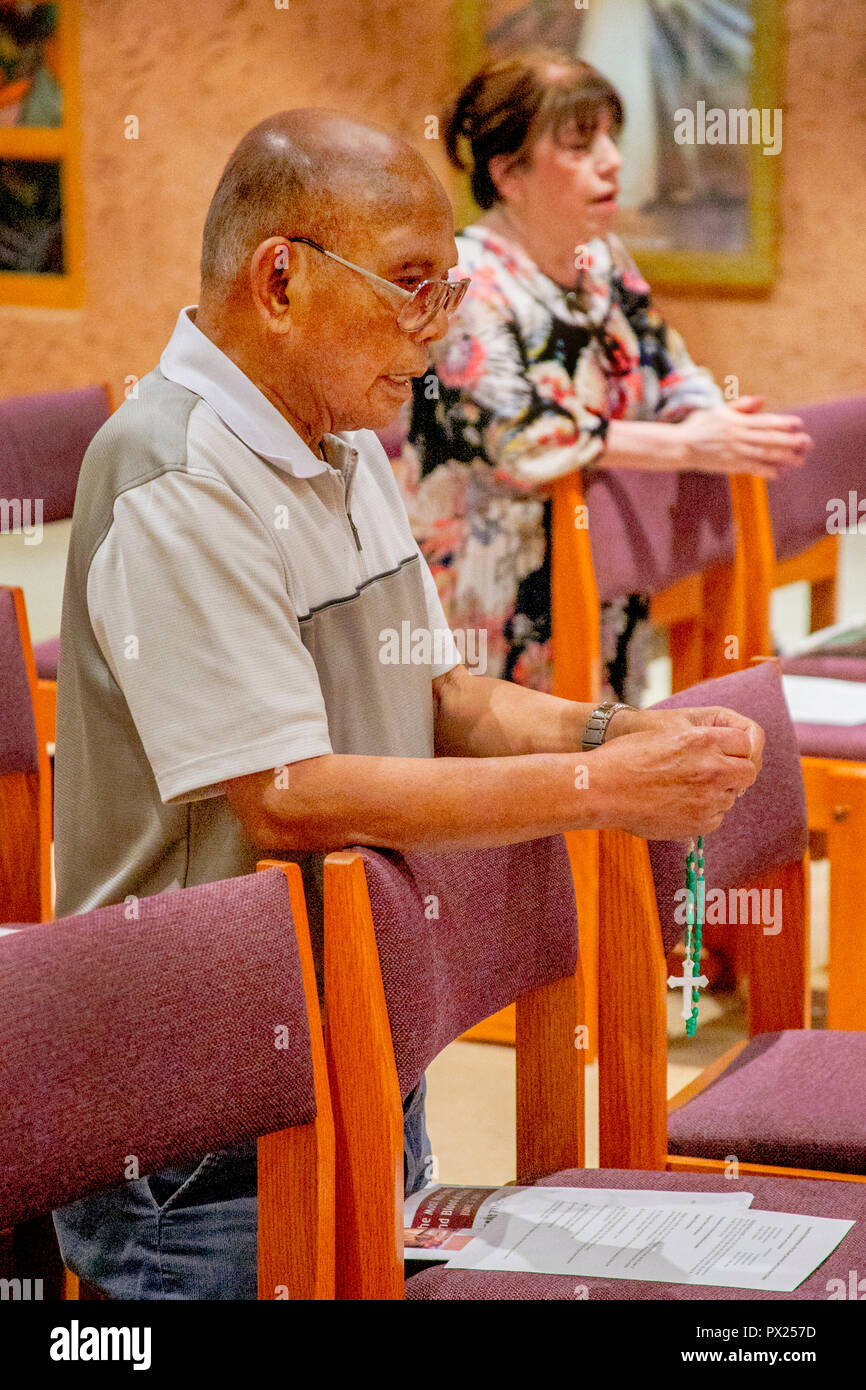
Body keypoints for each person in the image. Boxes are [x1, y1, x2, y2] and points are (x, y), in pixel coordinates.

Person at [52, 108, 763, 1300]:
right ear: (280, 278)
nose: (436, 337)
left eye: (445, 294)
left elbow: (435, 695)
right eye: (412, 289)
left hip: (356, 1041)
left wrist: (614, 733)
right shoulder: (175, 471)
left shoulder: (338, 440)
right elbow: (287, 794)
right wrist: (596, 791)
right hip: (197, 1121)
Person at [401, 49, 811, 701]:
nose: (611, 160)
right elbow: (525, 438)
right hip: (490, 586)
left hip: (600, 563)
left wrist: (713, 416)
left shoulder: (602, 260)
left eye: (610, 138)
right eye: (579, 144)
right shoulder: (470, 284)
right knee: (521, 788)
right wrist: (686, 444)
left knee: (603, 766)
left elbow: (663, 365)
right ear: (509, 173)